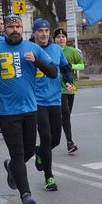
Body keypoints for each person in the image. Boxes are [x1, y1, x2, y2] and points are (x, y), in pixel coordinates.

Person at [0, 15, 56, 204]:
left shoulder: (33, 48)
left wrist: (37, 62)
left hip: (30, 108)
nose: (15, 30)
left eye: (18, 26)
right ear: (4, 30)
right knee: (18, 153)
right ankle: (25, 194)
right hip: (7, 111)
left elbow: (53, 72)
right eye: (11, 27)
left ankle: (11, 167)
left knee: (28, 150)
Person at [32, 20, 73, 192]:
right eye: (40, 30)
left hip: (55, 99)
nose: (44, 34)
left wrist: (69, 80)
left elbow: (66, 67)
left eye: (46, 30)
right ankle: (49, 177)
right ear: (34, 33)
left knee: (55, 139)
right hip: (36, 101)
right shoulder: (28, 49)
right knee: (47, 137)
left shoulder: (56, 49)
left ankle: (40, 152)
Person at [54, 28, 84, 153]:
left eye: (63, 36)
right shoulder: (51, 51)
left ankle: (63, 131)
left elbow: (81, 65)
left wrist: (71, 66)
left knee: (67, 115)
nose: (61, 39)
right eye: (58, 37)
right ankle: (70, 142)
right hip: (57, 87)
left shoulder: (73, 51)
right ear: (54, 39)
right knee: (65, 113)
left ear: (66, 39)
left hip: (70, 86)